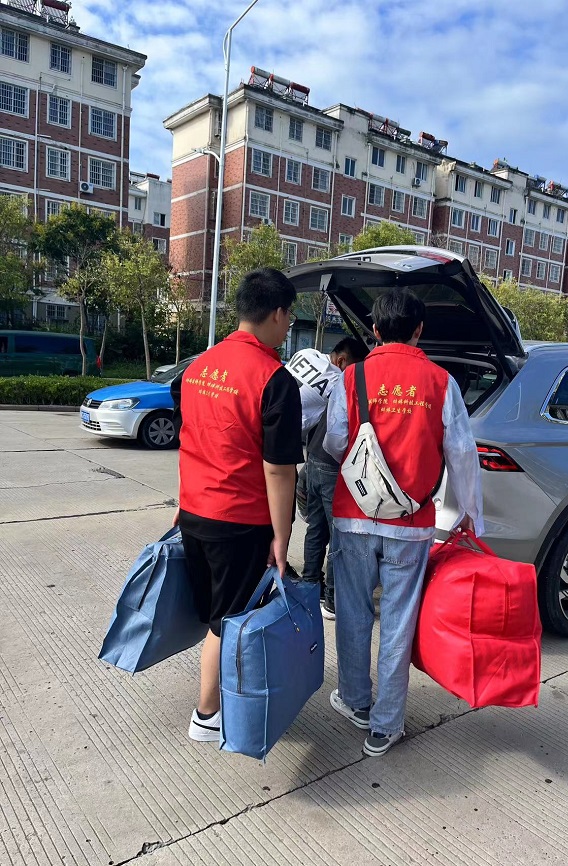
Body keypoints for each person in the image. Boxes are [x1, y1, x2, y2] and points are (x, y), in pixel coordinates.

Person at [324, 288, 483, 757]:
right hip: (412, 524)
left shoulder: (351, 377)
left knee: (353, 613)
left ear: (374, 329)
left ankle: (355, 700)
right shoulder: (441, 383)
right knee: (397, 622)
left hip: (354, 515)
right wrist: (470, 514)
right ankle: (385, 724)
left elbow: (335, 441)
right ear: (419, 330)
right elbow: (462, 453)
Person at [171, 268, 304, 743]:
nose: (288, 327)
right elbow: (279, 471)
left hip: (195, 512)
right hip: (239, 520)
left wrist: (183, 502)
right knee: (227, 621)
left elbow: (190, 440)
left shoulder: (197, 367)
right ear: (277, 313)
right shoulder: (274, 379)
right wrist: (282, 536)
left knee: (216, 614)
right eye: (290, 317)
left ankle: (218, 699)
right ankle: (208, 715)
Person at [299, 338, 366, 618]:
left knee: (316, 529)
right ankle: (332, 600)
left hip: (312, 459)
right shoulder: (348, 384)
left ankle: (309, 589)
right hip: (331, 465)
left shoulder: (314, 362)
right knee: (339, 534)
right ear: (343, 361)